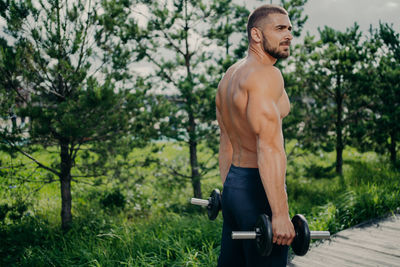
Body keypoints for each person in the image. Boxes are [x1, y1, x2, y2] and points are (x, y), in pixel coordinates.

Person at [215, 4, 295, 267]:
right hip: (257, 188)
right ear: (257, 35)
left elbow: (226, 140)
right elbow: (269, 147)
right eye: (280, 28)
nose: (289, 35)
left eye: (290, 29)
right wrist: (280, 214)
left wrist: (229, 192)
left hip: (234, 186)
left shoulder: (230, 76)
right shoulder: (264, 76)